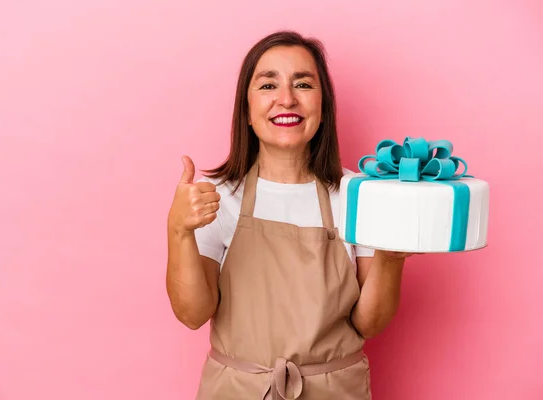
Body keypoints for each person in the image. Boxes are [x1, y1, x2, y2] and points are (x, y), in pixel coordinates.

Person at [166, 30, 414, 399]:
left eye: (302, 84)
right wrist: (179, 231)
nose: (286, 99)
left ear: (323, 105)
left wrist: (392, 258)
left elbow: (370, 322)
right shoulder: (215, 197)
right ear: (247, 111)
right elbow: (193, 314)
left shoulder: (359, 196)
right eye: (268, 86)